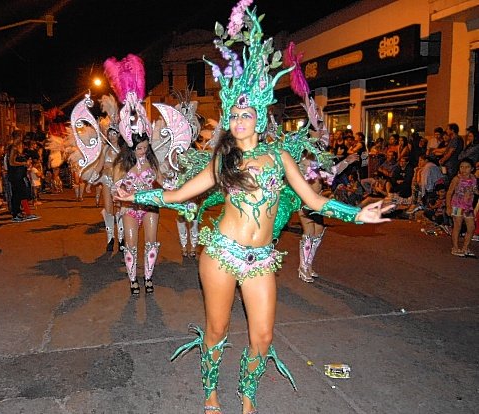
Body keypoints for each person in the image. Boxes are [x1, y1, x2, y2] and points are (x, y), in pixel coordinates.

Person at [115, 4, 391, 412]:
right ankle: (210, 392)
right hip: (222, 254)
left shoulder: (280, 158)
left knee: (262, 336)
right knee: (218, 328)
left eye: (247, 113)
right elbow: (177, 196)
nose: (240, 119)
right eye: (234, 114)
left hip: (261, 259)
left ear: (259, 117)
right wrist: (134, 196)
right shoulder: (222, 160)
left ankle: (247, 393)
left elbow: (314, 201)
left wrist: (358, 214)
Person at [112, 133, 162, 295]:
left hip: (150, 206)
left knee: (151, 242)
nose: (143, 151)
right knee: (131, 246)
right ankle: (133, 280)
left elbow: (162, 182)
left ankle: (148, 277)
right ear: (131, 148)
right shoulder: (122, 165)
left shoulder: (152, 163)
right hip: (130, 207)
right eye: (139, 148)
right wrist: (124, 195)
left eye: (146, 148)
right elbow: (115, 188)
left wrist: (176, 181)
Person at [446, 158, 478, 257]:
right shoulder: (457, 179)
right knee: (457, 226)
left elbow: (474, 191)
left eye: (467, 167)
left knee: (471, 227)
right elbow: (449, 192)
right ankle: (455, 247)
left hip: (468, 207)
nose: (464, 169)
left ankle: (465, 248)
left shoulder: (473, 178)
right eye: (461, 167)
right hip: (457, 205)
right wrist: (448, 207)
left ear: (472, 169)